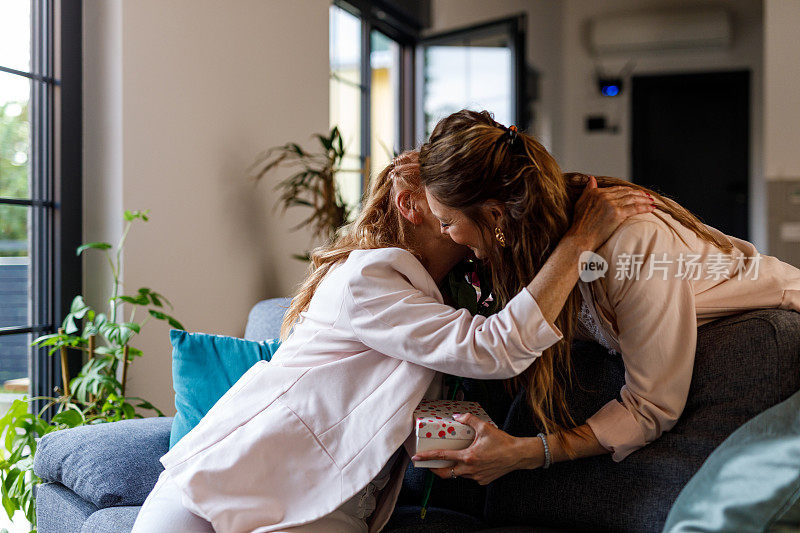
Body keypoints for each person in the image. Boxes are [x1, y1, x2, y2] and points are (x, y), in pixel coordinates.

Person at [130, 150, 654, 533]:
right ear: (410, 204)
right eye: (449, 201)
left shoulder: (430, 305)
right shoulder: (370, 276)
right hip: (220, 487)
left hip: (325, 509)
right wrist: (579, 240)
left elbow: (389, 420)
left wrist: (481, 445)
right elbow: (492, 349)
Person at [411, 109, 800, 484]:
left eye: (446, 222)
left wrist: (521, 452)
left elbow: (651, 410)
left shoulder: (631, 244)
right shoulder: (534, 238)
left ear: (495, 215)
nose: (444, 234)